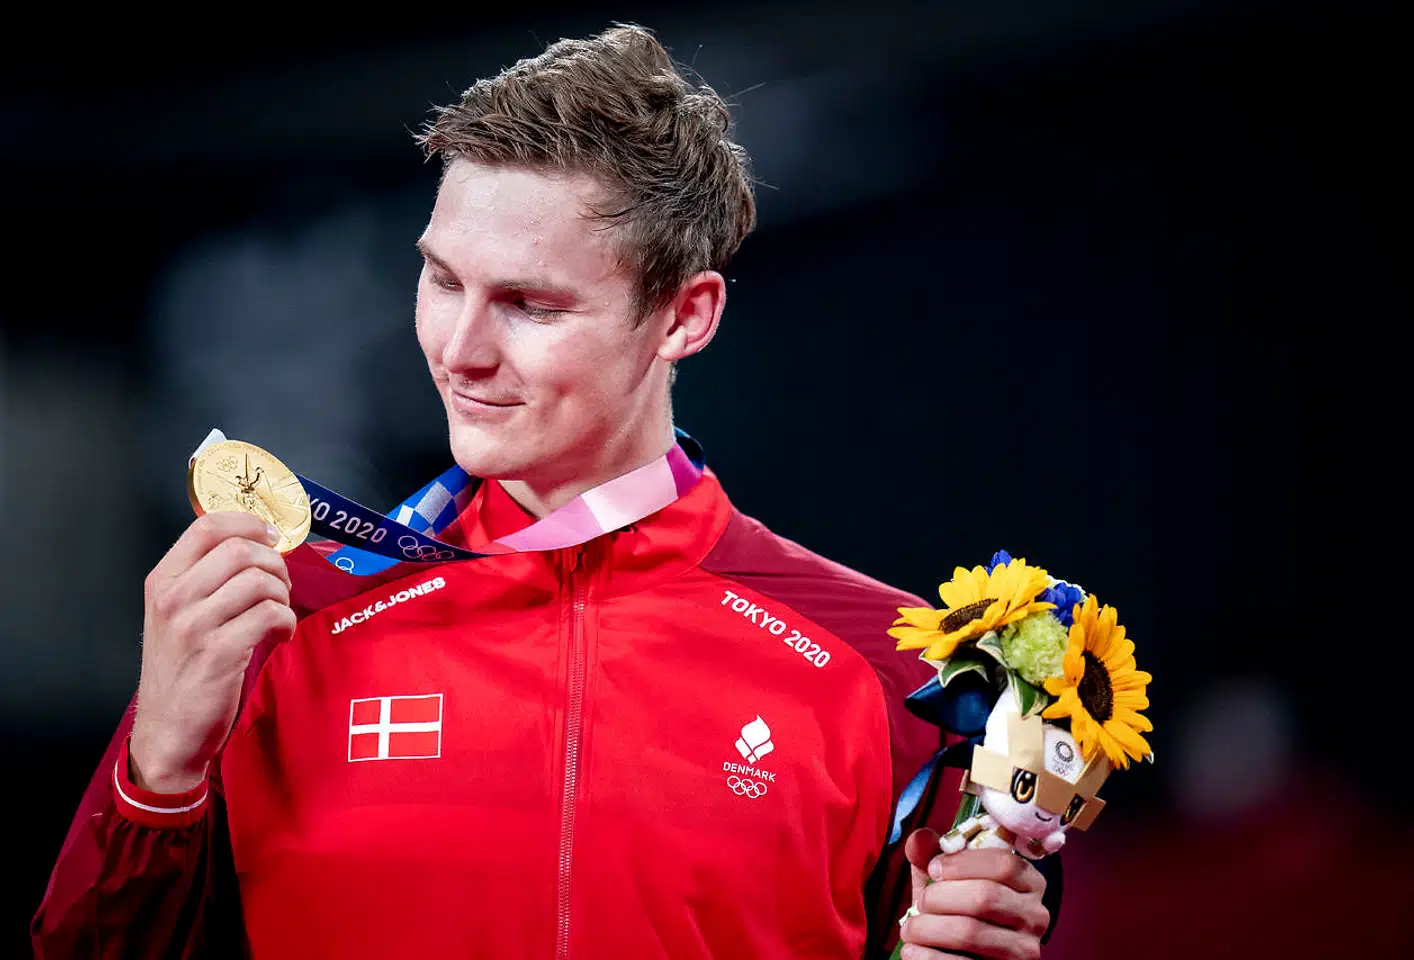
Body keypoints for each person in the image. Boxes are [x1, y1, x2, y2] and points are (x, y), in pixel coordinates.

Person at [32, 24, 1058, 959]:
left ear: (685, 318)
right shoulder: (284, 618)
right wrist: (155, 777)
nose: (460, 352)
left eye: (528, 304)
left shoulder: (895, 670)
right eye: (443, 282)